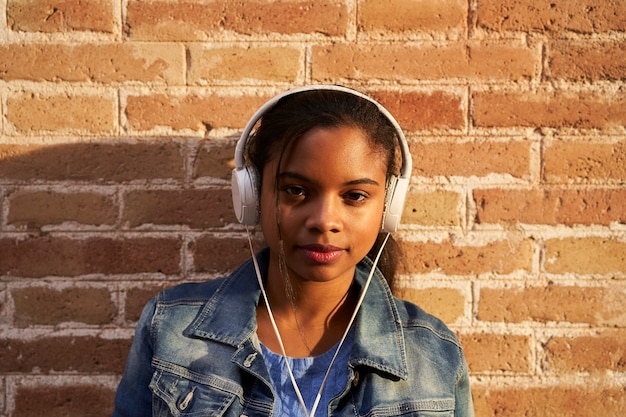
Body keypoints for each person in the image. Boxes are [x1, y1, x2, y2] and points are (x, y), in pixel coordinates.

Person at [112, 85, 474, 417]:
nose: (324, 220)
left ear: (388, 207)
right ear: (251, 196)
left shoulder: (433, 354)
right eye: (296, 191)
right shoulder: (172, 329)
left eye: (355, 196)